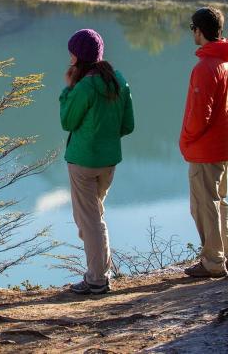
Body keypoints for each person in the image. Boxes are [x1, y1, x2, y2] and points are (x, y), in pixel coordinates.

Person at [60, 28, 135, 295]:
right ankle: (101, 270)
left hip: (83, 162)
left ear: (76, 57)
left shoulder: (84, 86)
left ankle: (97, 279)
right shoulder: (118, 80)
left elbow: (67, 121)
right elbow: (128, 125)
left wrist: (68, 90)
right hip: (109, 160)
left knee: (89, 221)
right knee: (95, 217)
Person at [180, 7, 228, 278]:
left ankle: (213, 262)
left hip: (206, 149)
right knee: (219, 201)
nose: (192, 33)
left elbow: (199, 116)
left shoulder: (206, 67)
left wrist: (186, 140)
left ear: (199, 30)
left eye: (192, 28)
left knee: (204, 205)